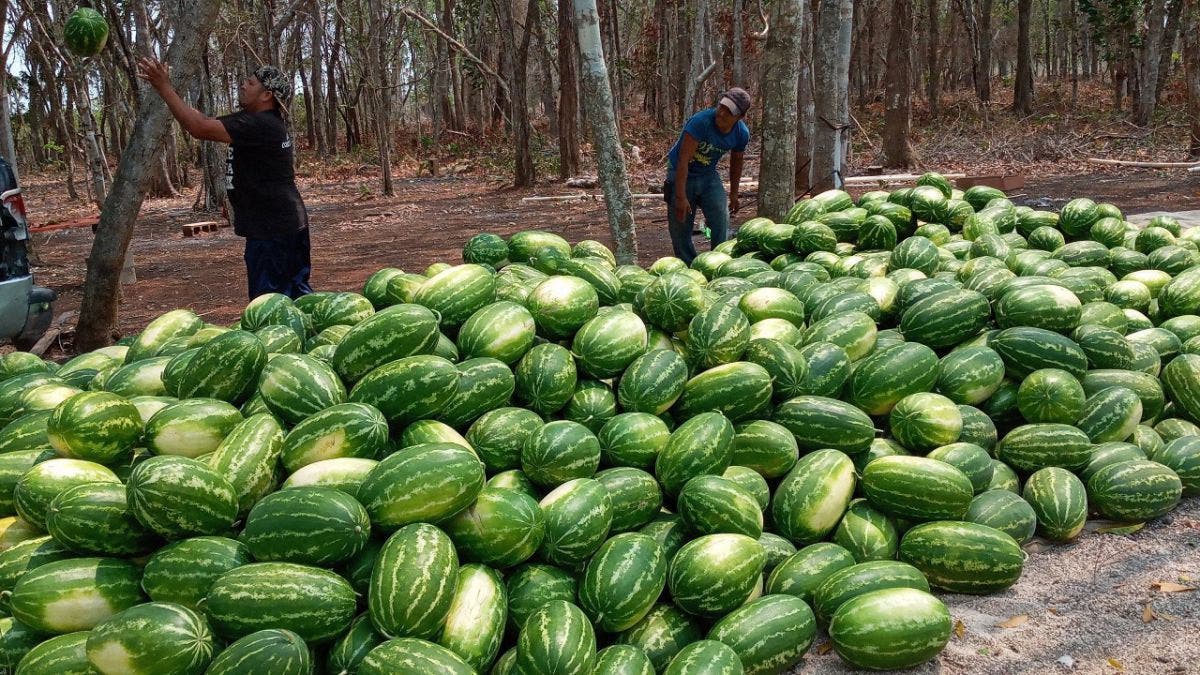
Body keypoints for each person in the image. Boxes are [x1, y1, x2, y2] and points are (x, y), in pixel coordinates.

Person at [137, 57, 312, 300]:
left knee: (270, 306)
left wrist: (164, 87)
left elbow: (198, 127)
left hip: (272, 231)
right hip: (283, 226)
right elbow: (203, 120)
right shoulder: (260, 121)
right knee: (296, 298)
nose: (243, 85)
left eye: (251, 83)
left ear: (266, 95)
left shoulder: (260, 124)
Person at [664, 88, 751, 265]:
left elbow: (736, 163)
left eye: (729, 112)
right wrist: (680, 196)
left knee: (720, 216)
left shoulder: (741, 133)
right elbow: (682, 161)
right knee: (681, 225)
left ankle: (719, 263)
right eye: (721, 107)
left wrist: (734, 194)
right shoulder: (700, 122)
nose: (722, 113)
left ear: (740, 117)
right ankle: (689, 267)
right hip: (680, 172)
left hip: (708, 174)